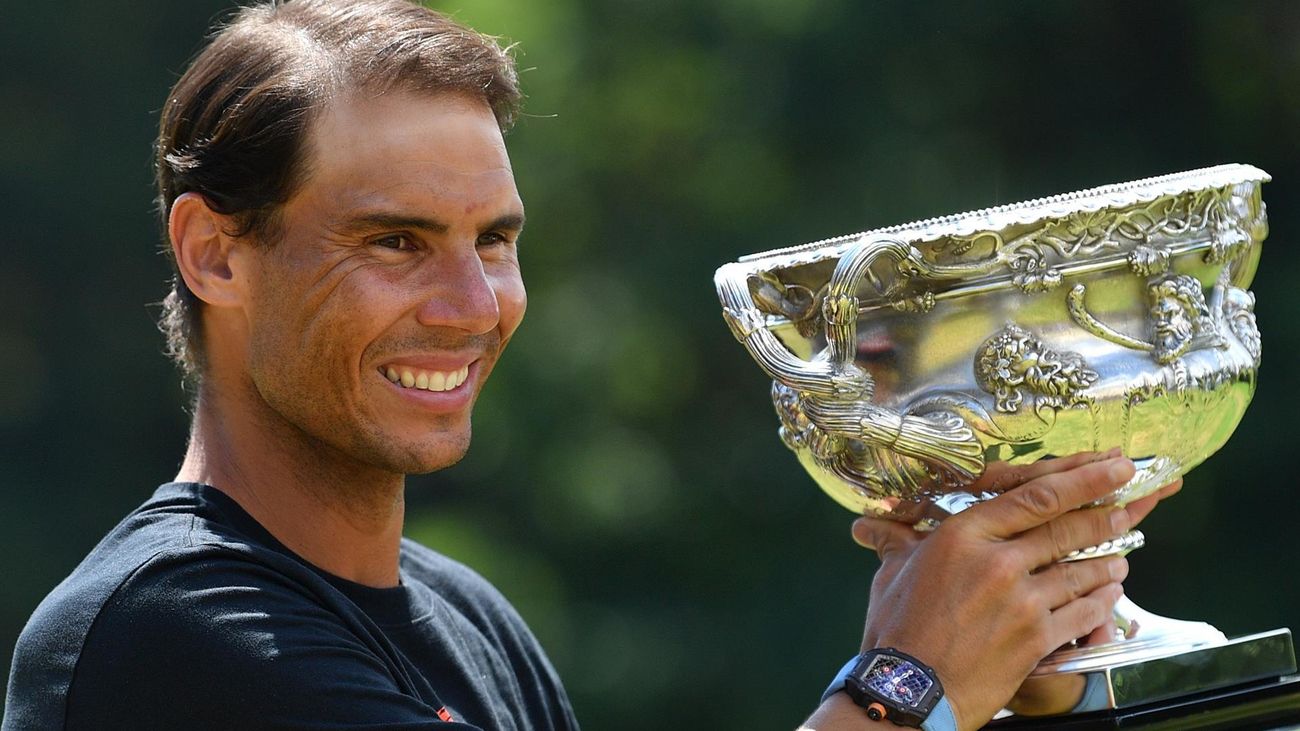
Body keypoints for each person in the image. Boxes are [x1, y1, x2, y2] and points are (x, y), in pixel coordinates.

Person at [2, 1, 1177, 729]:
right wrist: (908, 684)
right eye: (395, 242)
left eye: (495, 241)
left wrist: (1001, 650)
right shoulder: (166, 632)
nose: (472, 306)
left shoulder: (468, 615)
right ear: (215, 253)